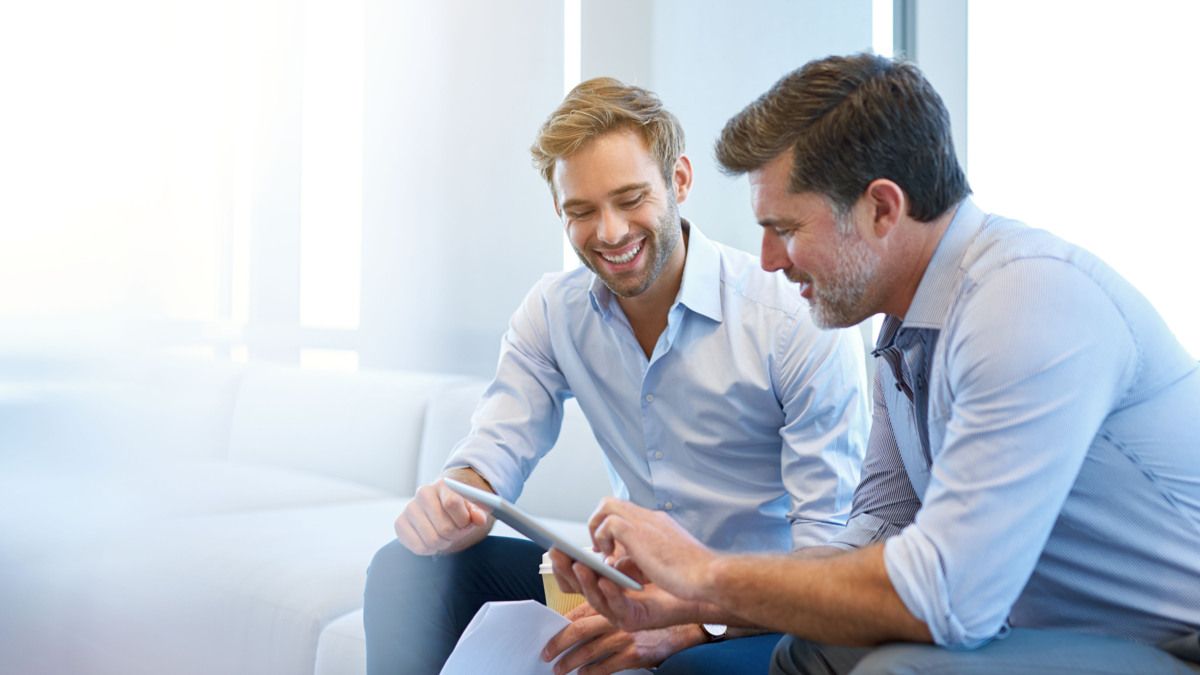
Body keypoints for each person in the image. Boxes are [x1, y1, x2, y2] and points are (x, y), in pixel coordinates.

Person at [553, 54, 1200, 674]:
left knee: (902, 668)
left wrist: (704, 571)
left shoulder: (1025, 302)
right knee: (811, 651)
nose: (771, 259)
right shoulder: (907, 331)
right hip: (1039, 630)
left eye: (785, 227)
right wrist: (689, 601)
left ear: (882, 208)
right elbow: (875, 536)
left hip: (1172, 641)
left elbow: (944, 593)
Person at [362, 77, 870, 674]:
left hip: (760, 606)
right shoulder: (555, 312)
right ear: (560, 210)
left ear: (678, 180)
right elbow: (493, 452)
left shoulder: (791, 320)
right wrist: (455, 503)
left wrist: (688, 620)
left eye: (630, 200)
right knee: (406, 570)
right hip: (627, 584)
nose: (609, 232)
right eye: (581, 211)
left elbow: (829, 558)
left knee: (688, 670)